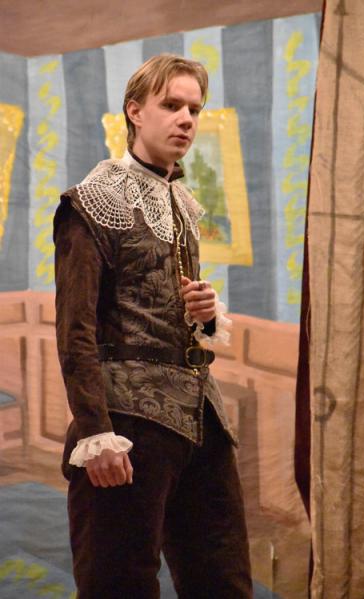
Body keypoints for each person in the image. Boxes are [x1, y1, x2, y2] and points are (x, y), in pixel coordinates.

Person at [53, 54, 252, 598]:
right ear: (135, 111)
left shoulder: (182, 203)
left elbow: (169, 315)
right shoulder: (92, 202)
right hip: (127, 422)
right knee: (119, 581)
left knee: (224, 579)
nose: (186, 118)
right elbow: (75, 329)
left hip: (201, 420)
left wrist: (206, 316)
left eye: (195, 109)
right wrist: (95, 431)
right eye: (172, 105)